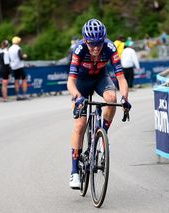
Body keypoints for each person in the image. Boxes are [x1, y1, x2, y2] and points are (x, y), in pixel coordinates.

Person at [67, 19, 131, 189]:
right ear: (85, 40)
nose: (96, 48)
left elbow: (121, 78)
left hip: (100, 78)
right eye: (92, 44)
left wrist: (125, 98)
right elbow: (70, 82)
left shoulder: (110, 47)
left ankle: (101, 134)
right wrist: (77, 97)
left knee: (112, 98)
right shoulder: (79, 49)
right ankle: (74, 172)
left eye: (99, 43)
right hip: (81, 82)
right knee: (80, 124)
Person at [9, 36, 28, 100]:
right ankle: (24, 94)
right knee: (24, 79)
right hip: (19, 66)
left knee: (16, 80)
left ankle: (18, 95)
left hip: (13, 66)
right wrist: (24, 56)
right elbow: (20, 57)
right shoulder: (18, 48)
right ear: (17, 42)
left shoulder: (10, 49)